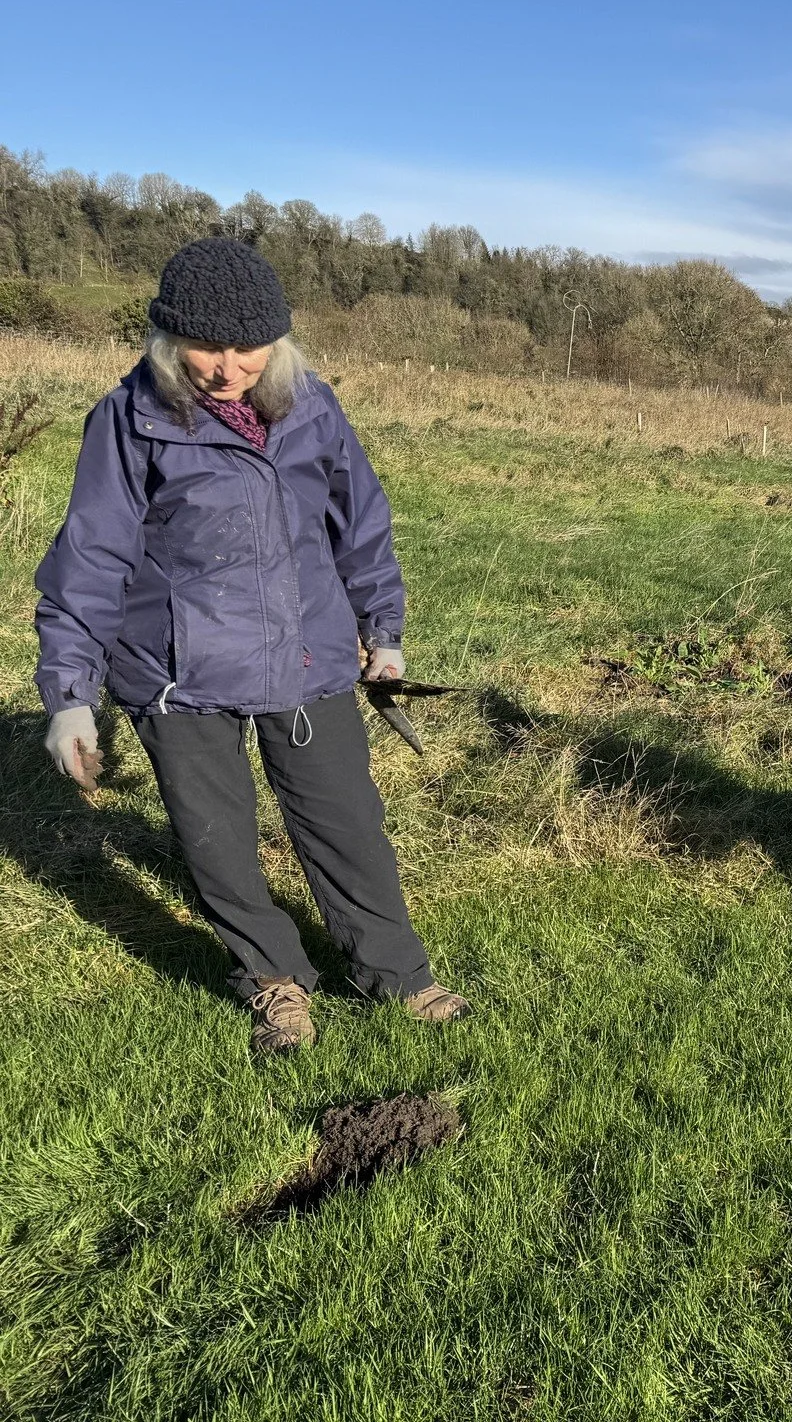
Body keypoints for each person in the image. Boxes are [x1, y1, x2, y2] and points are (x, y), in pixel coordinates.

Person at [34, 238, 470, 1055]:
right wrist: (69, 696)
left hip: (308, 658)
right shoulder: (129, 421)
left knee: (347, 825)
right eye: (205, 345)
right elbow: (90, 558)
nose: (226, 366)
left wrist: (384, 631)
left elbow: (360, 525)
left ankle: (397, 973)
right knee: (216, 841)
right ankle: (275, 979)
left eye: (246, 346)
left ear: (278, 340)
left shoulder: (314, 408)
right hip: (174, 676)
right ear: (167, 338)